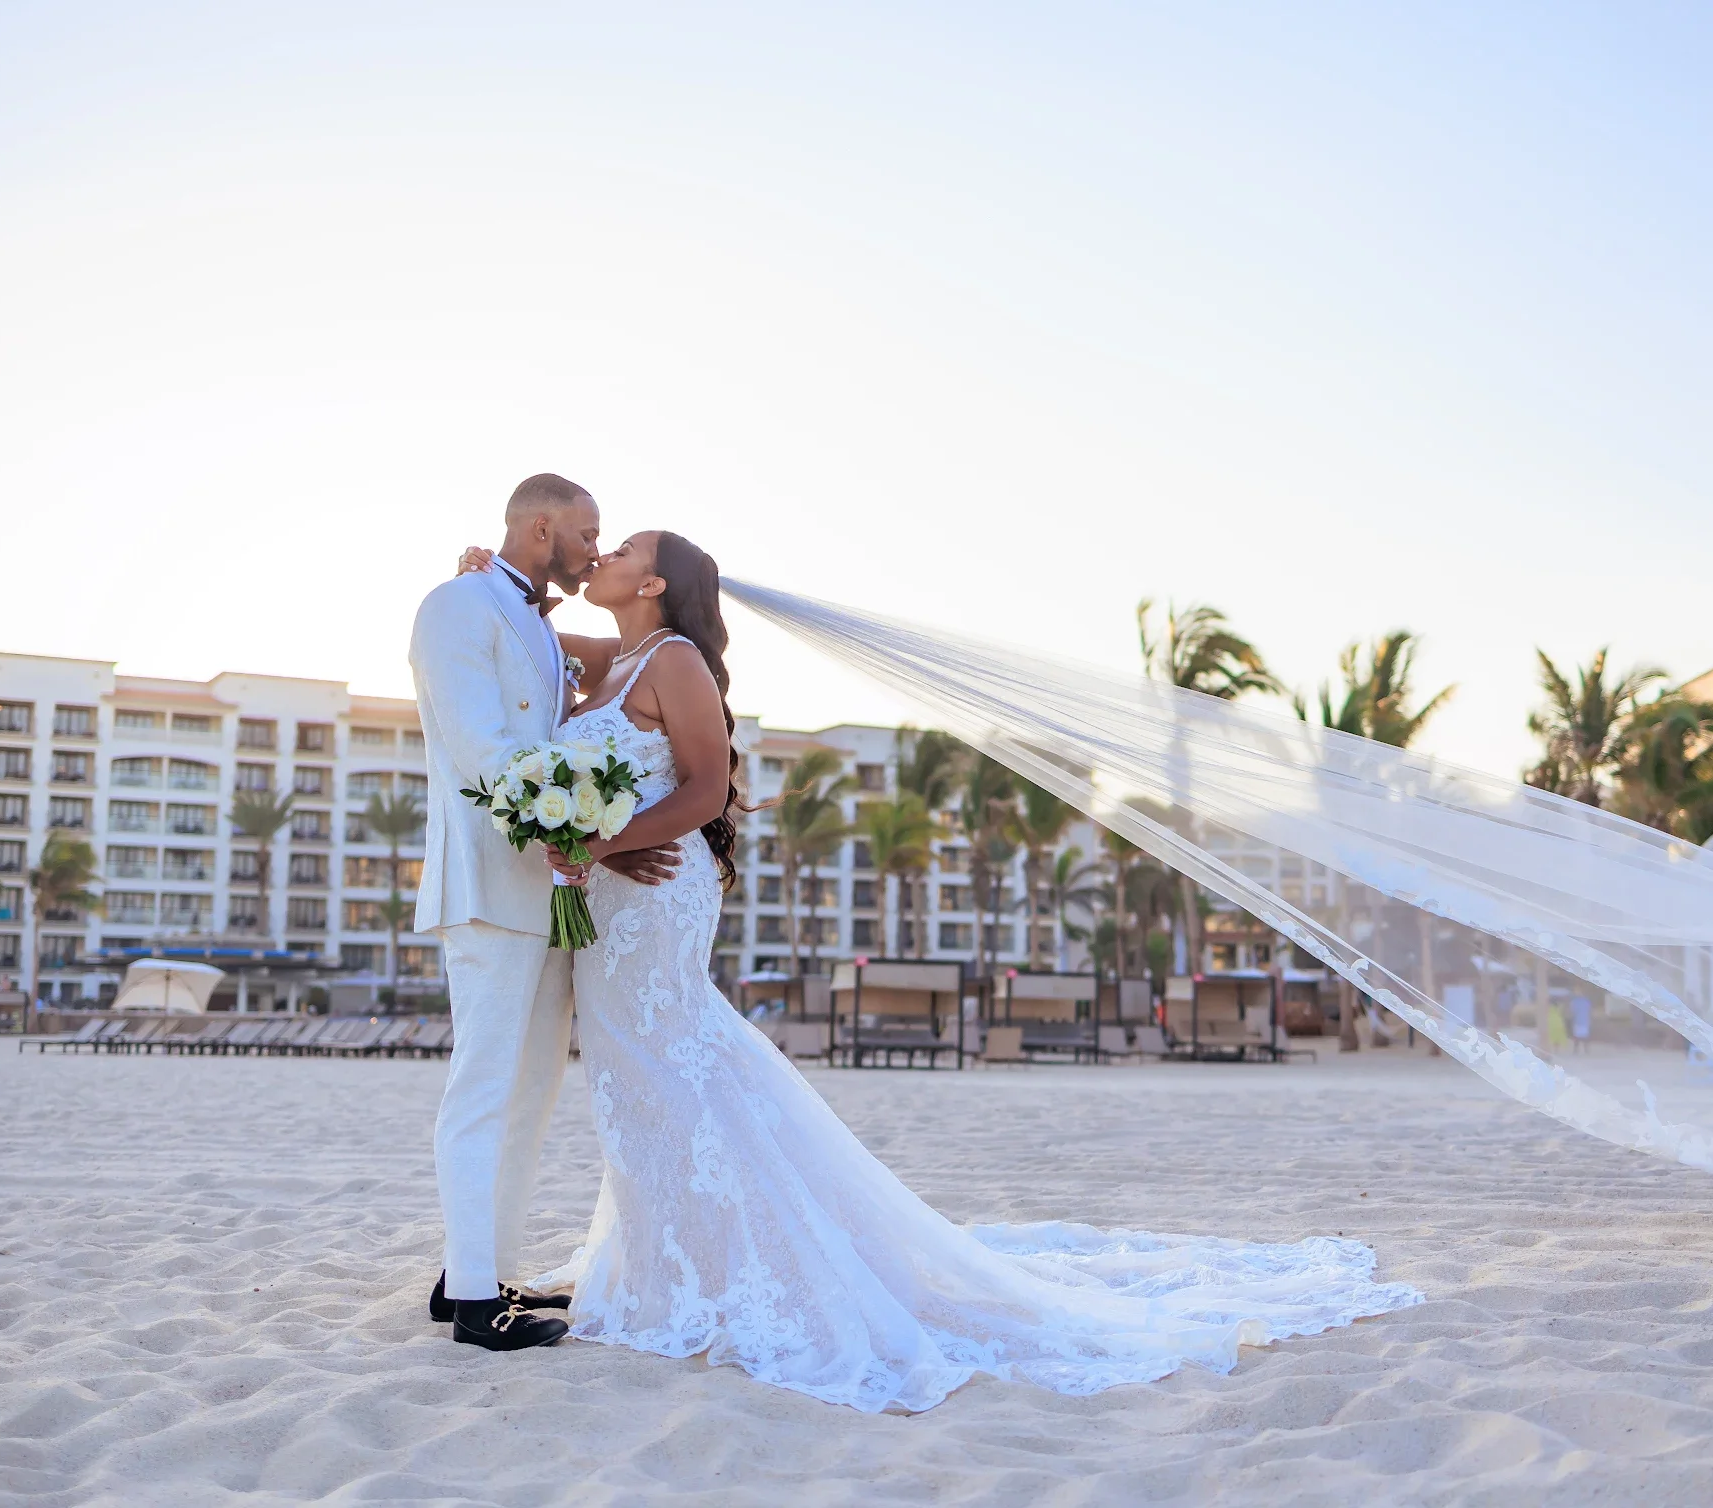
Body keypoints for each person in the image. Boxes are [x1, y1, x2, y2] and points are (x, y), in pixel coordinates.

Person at [451, 532, 1419, 1411]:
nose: (600, 554)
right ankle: (666, 1258)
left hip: (656, 886)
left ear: (653, 581)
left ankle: (720, 1265)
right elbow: (525, 637)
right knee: (636, 1071)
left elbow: (705, 787)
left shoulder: (673, 659)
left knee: (669, 1054)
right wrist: (488, 584)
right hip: (612, 888)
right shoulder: (611, 659)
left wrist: (608, 837)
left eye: (618, 547)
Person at [407, 474, 681, 1352]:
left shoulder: (532, 615)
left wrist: (594, 844)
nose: (596, 549)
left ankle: (474, 1275)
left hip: (553, 886)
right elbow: (485, 753)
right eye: (586, 532)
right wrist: (598, 835)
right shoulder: (457, 605)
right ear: (540, 526)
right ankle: (478, 1308)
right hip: (492, 883)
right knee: (483, 1088)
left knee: (529, 1095)